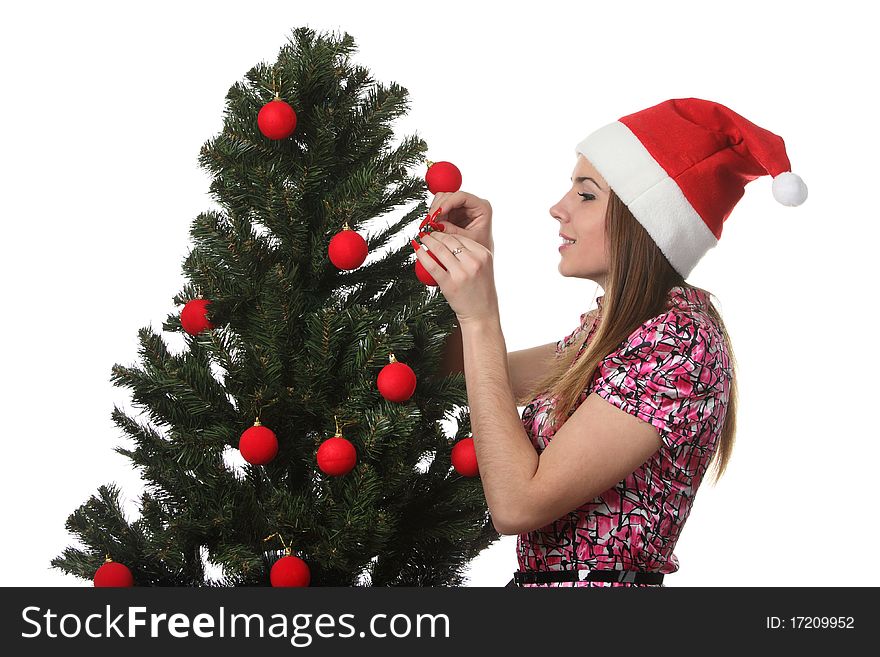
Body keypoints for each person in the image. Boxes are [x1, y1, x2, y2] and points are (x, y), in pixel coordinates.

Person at [415, 97, 807, 587]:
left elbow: (517, 505)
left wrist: (481, 317)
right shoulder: (610, 331)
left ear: (643, 220)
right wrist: (473, 261)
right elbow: (460, 378)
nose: (558, 208)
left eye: (586, 195)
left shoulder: (676, 343)